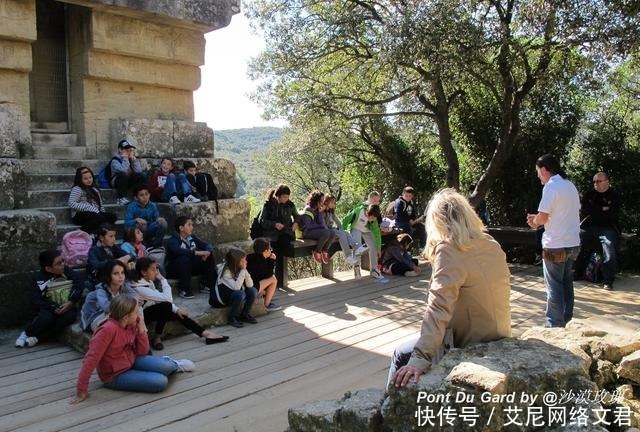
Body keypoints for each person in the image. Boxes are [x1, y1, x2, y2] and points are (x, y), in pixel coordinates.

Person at [388, 188, 511, 388]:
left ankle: (389, 411)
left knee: (401, 354)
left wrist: (420, 357)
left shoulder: (450, 250)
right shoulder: (490, 243)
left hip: (471, 341)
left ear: (437, 222)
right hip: (499, 334)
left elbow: (438, 308)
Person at [72, 295, 195, 403]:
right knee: (160, 382)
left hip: (132, 360)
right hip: (115, 375)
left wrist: (141, 329)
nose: (139, 314)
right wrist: (81, 390)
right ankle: (156, 372)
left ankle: (174, 365)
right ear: (126, 317)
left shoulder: (131, 324)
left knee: (167, 366)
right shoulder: (106, 330)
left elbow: (142, 351)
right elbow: (90, 359)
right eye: (136, 312)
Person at [527, 154, 580, 328]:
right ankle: (567, 320)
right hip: (573, 243)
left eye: (538, 172)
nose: (537, 176)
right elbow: (562, 213)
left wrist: (534, 221)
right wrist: (540, 219)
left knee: (554, 286)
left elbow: (543, 217)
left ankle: (554, 324)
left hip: (555, 244)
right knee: (566, 282)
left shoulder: (551, 187)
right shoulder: (570, 185)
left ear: (544, 170)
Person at [131, 257, 228, 350]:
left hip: (152, 310)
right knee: (167, 306)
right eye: (153, 270)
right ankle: (157, 337)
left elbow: (161, 299)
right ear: (143, 272)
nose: (156, 272)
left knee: (178, 313)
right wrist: (163, 279)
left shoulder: (147, 282)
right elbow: (167, 299)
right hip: (142, 316)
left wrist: (177, 310)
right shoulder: (140, 287)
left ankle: (205, 334)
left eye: (156, 269)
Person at [15, 250, 83, 347]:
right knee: (46, 318)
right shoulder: (37, 278)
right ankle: (26, 333)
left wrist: (71, 302)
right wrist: (53, 307)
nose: (63, 264)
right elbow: (35, 299)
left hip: (66, 307)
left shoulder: (66, 271)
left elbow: (79, 284)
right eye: (58, 263)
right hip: (47, 308)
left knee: (69, 317)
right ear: (48, 268)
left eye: (62, 261)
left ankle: (39, 338)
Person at [574, 172, 620, 290]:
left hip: (607, 227)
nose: (596, 184)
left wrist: (595, 211)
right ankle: (576, 272)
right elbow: (584, 211)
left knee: (609, 248)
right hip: (588, 227)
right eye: (594, 181)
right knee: (575, 242)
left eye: (598, 181)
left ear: (606, 181)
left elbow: (612, 214)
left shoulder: (613, 195)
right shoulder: (589, 194)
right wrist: (602, 209)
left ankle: (608, 280)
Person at [165, 216, 217, 299]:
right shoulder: (173, 240)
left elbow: (206, 245)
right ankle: (184, 289)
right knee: (184, 258)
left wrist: (208, 252)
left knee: (208, 255)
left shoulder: (191, 237)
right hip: (175, 270)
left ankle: (205, 284)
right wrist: (197, 252)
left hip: (189, 267)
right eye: (189, 225)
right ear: (181, 228)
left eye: (192, 225)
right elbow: (178, 251)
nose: (192, 227)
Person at [258, 185, 299, 285]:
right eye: (284, 197)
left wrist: (296, 223)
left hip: (285, 234)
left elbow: (297, 216)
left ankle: (279, 281)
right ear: (278, 196)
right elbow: (262, 221)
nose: (286, 199)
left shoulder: (290, 205)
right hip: (271, 236)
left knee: (281, 253)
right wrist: (274, 224)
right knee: (270, 256)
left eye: (287, 197)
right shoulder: (268, 205)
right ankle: (268, 280)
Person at [81, 260, 138, 332]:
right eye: (116, 273)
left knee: (137, 311)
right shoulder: (101, 290)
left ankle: (134, 336)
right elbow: (107, 308)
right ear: (108, 276)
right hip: (93, 319)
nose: (120, 276)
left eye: (122, 272)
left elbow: (135, 296)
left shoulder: (123, 285)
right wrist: (129, 304)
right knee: (125, 314)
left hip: (111, 314)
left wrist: (131, 304)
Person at [210, 248, 258, 328]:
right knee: (240, 293)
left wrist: (245, 272)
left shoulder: (239, 269)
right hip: (221, 299)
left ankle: (244, 314)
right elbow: (236, 288)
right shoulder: (225, 272)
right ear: (236, 262)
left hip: (232, 294)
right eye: (243, 260)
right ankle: (232, 318)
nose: (246, 262)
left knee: (253, 291)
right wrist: (243, 272)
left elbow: (250, 285)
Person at [68, 166, 117, 234]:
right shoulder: (77, 189)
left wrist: (102, 214)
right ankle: (81, 232)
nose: (89, 180)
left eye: (90, 177)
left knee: (112, 217)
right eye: (85, 179)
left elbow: (100, 204)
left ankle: (101, 233)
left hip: (95, 213)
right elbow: (71, 203)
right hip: (80, 214)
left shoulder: (95, 189)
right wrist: (88, 207)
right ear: (80, 179)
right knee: (97, 217)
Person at [342, 203, 384, 279]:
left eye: (375, 218)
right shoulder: (357, 212)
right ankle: (357, 269)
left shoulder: (374, 218)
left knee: (373, 246)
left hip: (367, 230)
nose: (373, 220)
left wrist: (378, 248)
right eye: (372, 218)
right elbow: (345, 220)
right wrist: (343, 231)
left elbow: (377, 233)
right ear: (368, 213)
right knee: (357, 246)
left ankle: (374, 270)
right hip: (356, 228)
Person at [299, 190, 338, 264]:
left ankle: (325, 250)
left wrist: (319, 213)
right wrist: (320, 226)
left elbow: (321, 223)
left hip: (316, 231)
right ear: (316, 200)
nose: (322, 203)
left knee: (332, 233)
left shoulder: (317, 210)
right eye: (321, 201)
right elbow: (307, 225)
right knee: (325, 233)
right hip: (307, 232)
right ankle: (317, 251)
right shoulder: (308, 209)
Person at [321, 193, 360, 266]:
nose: (334, 204)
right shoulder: (322, 212)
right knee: (341, 234)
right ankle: (348, 256)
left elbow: (338, 222)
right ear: (327, 202)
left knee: (345, 232)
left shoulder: (331, 212)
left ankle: (356, 247)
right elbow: (323, 225)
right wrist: (337, 231)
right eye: (332, 202)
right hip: (326, 231)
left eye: (334, 203)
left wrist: (342, 229)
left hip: (331, 230)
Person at [124, 185, 168, 249]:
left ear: (149, 195)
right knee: (142, 224)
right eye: (141, 195)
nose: (145, 197)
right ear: (136, 197)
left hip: (149, 228)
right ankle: (144, 246)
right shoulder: (131, 206)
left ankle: (157, 246)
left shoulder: (152, 205)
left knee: (163, 223)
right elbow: (127, 223)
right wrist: (136, 220)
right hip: (136, 231)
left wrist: (159, 219)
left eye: (146, 194)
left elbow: (156, 218)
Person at [246, 238, 281, 312]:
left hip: (248, 286)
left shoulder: (252, 256)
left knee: (269, 281)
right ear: (265, 251)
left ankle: (264, 295)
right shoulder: (260, 261)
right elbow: (268, 275)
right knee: (273, 279)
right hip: (251, 289)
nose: (271, 250)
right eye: (270, 248)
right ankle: (267, 304)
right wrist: (272, 260)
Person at [110, 139, 146, 206]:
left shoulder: (130, 159)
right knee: (123, 174)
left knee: (142, 175)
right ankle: (121, 198)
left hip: (128, 180)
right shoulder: (115, 161)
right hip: (118, 181)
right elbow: (123, 170)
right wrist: (125, 158)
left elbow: (139, 171)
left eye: (130, 150)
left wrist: (134, 160)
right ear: (120, 150)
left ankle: (138, 196)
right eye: (126, 150)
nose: (128, 152)